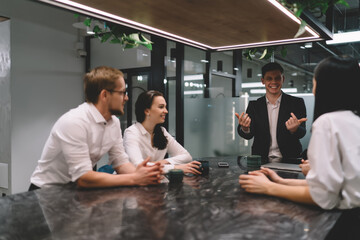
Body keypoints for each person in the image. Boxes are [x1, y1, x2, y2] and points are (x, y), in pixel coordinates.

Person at [239, 55, 360, 210]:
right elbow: (334, 183)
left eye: (315, 80)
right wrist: (279, 181)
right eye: (269, 78)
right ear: (263, 81)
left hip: (347, 217)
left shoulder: (326, 123)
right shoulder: (354, 119)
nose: (313, 86)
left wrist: (268, 187)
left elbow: (324, 196)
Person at [29, 66, 162, 190]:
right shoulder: (74, 122)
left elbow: (120, 162)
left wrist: (144, 175)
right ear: (104, 95)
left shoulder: (113, 122)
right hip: (45, 192)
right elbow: (84, 178)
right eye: (122, 92)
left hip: (73, 190)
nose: (126, 98)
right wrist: (134, 178)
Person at [235, 62, 307, 163]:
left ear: (283, 79)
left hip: (289, 158)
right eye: (269, 78)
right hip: (261, 159)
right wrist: (245, 128)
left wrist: (294, 129)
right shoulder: (254, 105)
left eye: (277, 78)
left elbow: (302, 132)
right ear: (263, 81)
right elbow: (248, 135)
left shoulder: (296, 103)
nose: (274, 82)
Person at [124, 90, 201, 175]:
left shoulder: (162, 131)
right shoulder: (131, 133)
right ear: (147, 111)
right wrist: (174, 167)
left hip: (154, 182)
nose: (166, 111)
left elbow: (186, 156)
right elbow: (139, 166)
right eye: (161, 107)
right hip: (131, 185)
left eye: (165, 107)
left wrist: (162, 162)